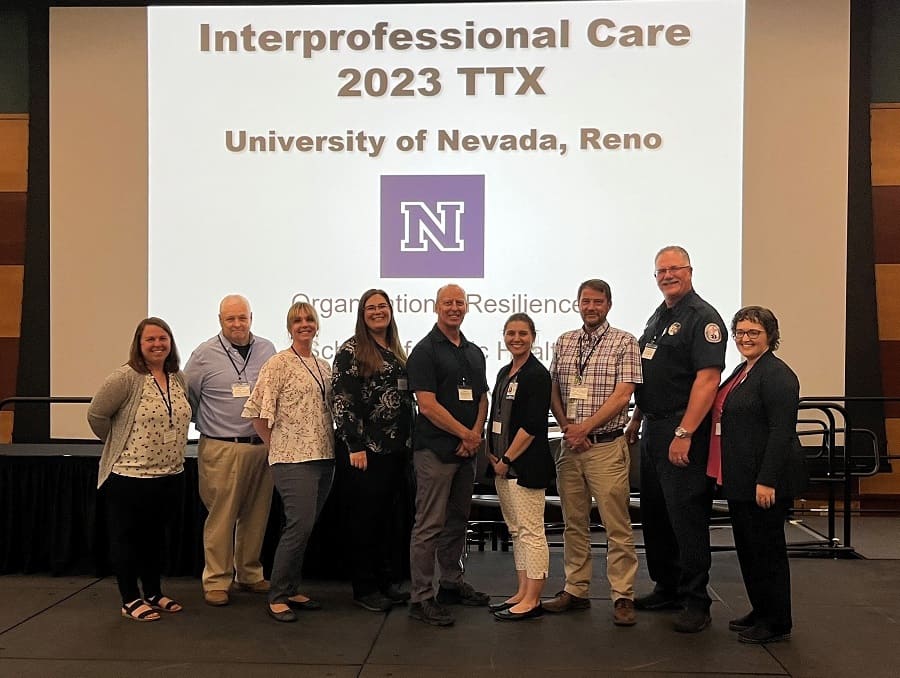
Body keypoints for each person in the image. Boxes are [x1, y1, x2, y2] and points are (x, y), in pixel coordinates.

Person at [626, 245, 727, 633]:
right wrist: (637, 417)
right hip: (653, 426)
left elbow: (707, 379)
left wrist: (684, 432)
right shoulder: (659, 316)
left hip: (683, 428)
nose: (668, 275)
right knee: (656, 513)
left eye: (674, 269)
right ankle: (667, 586)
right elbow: (652, 373)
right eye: (661, 271)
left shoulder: (703, 318)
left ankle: (696, 601)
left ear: (690, 270)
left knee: (686, 516)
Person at [544, 280, 642, 627]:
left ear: (609, 305)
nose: (591, 307)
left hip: (606, 446)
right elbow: (553, 387)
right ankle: (576, 588)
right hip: (570, 447)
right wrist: (569, 426)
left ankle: (622, 595)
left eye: (598, 302)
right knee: (573, 523)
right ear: (578, 304)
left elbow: (623, 394)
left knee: (617, 525)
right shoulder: (565, 341)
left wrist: (585, 428)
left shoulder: (625, 342)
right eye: (585, 301)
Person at [708, 306, 804, 644]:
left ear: (770, 336)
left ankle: (777, 621)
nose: (745, 338)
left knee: (768, 551)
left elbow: (781, 432)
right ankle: (760, 609)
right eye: (741, 332)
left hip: (763, 481)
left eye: (754, 333)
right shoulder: (743, 369)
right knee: (749, 549)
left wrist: (767, 480)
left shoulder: (777, 375)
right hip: (740, 478)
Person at [87, 317, 191, 622]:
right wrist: (116, 441)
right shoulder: (125, 378)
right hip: (129, 476)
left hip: (170, 473)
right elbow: (96, 414)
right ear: (139, 344)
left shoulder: (177, 377)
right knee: (127, 539)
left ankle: (154, 592)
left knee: (156, 539)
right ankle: (130, 598)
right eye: (151, 340)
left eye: (163, 338)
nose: (158, 344)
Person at [242, 301, 335, 623]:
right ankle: (278, 595)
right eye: (297, 320)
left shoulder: (324, 366)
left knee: (302, 526)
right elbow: (256, 413)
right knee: (300, 524)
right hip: (292, 460)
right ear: (289, 326)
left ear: (317, 324)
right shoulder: (278, 364)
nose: (304, 324)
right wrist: (277, 445)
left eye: (309, 318)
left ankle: (292, 587)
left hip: (325, 456)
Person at [184, 294, 277, 607]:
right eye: (230, 319)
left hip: (261, 446)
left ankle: (250, 574)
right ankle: (216, 580)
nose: (237, 324)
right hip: (222, 447)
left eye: (242, 317)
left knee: (256, 514)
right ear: (220, 320)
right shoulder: (203, 355)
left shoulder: (267, 349)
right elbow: (188, 398)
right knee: (221, 517)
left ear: (251, 317)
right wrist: (211, 425)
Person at [406, 283, 490, 626]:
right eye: (447, 303)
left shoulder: (473, 351)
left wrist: (475, 436)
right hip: (436, 453)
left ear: (466, 307)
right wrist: (465, 433)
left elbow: (482, 398)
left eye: (459, 302)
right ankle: (421, 597)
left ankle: (451, 583)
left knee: (457, 521)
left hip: (465, 454)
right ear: (436, 307)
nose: (454, 307)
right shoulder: (424, 352)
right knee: (429, 525)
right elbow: (426, 406)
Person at [331, 288, 416, 613]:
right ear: (362, 314)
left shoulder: (394, 350)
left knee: (384, 520)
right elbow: (341, 401)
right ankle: (364, 588)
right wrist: (355, 445)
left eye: (382, 306)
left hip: (395, 452)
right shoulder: (351, 351)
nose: (378, 312)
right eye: (371, 308)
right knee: (364, 520)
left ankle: (384, 582)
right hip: (365, 452)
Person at [486, 313, 554, 622]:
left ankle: (533, 598)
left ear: (533, 337)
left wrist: (508, 459)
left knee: (531, 532)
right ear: (504, 336)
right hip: (501, 467)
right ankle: (522, 590)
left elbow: (532, 425)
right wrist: (492, 455)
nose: (517, 338)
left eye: (523, 333)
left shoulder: (537, 375)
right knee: (516, 531)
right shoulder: (504, 371)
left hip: (523, 468)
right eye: (511, 333)